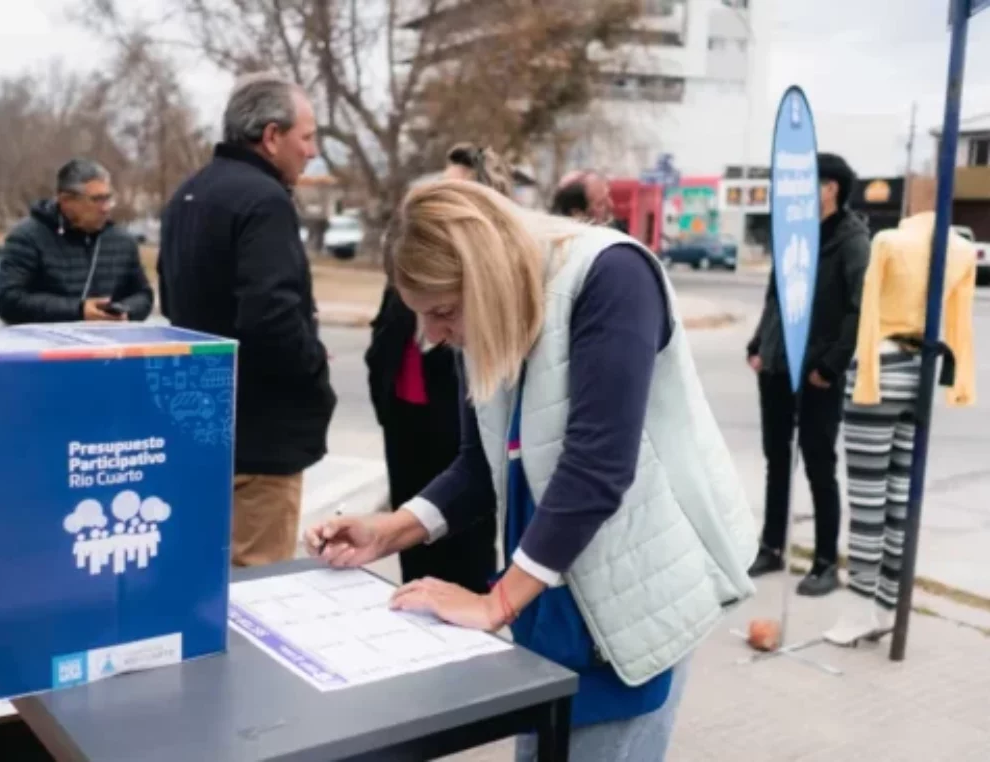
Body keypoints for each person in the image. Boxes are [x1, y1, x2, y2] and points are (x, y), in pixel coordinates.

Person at [306, 180, 757, 761]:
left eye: (443, 312)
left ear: (485, 274)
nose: (435, 335)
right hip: (547, 594)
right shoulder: (497, 307)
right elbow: (480, 463)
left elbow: (597, 468)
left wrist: (494, 603)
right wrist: (389, 529)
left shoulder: (612, 277)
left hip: (627, 604)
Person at [158, 73, 336, 567]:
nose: (313, 151)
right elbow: (270, 316)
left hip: (201, 425)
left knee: (199, 577)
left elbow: (173, 298)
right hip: (261, 442)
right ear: (272, 136)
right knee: (257, 590)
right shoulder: (265, 200)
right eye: (307, 136)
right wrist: (313, 361)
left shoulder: (187, 194)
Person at [364, 144, 512, 593]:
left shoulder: (487, 293)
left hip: (451, 425)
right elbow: (388, 329)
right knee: (416, 538)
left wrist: (497, 604)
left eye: (455, 187)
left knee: (463, 545)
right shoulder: (413, 262)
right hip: (406, 421)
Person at [825, 212, 976, 644]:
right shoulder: (960, 251)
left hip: (881, 362)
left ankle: (859, 610)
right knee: (897, 497)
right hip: (921, 370)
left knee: (868, 498)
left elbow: (868, 313)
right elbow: (958, 320)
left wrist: (865, 373)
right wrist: (960, 380)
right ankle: (886, 605)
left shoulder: (890, 242)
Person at [746, 152, 870, 596]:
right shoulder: (792, 233)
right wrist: (759, 345)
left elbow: (859, 309)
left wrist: (830, 365)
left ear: (830, 187)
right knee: (777, 461)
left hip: (818, 372)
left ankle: (823, 563)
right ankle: (772, 546)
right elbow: (775, 297)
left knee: (819, 463)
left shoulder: (851, 239)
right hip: (777, 366)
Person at [0, 159, 153, 325]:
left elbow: (143, 295)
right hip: (46, 346)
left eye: (108, 198)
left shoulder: (122, 241)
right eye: (97, 199)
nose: (106, 208)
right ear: (66, 201)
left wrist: (124, 310)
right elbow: (8, 302)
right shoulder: (27, 237)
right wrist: (78, 310)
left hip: (107, 346)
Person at [558, 169, 627, 232]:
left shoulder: (620, 229)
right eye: (600, 204)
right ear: (577, 214)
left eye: (608, 196)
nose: (611, 205)